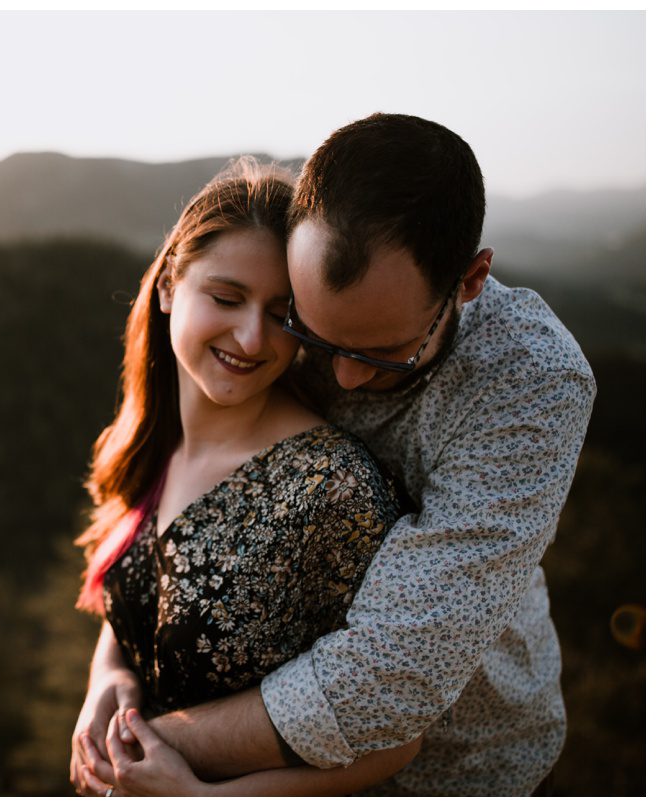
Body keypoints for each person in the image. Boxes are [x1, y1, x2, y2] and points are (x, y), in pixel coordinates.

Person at [75, 114, 596, 796]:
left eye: (382, 353)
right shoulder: (267, 325)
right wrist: (112, 679)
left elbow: (393, 675)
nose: (343, 379)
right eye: (316, 336)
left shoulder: (529, 378)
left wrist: (146, 748)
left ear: (469, 280)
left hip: (459, 767)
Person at [68, 158, 422, 796]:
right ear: (171, 284)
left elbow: (395, 735)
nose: (253, 337)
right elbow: (136, 606)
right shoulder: (152, 447)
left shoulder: (329, 488)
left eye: (282, 314)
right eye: (226, 298)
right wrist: (109, 681)